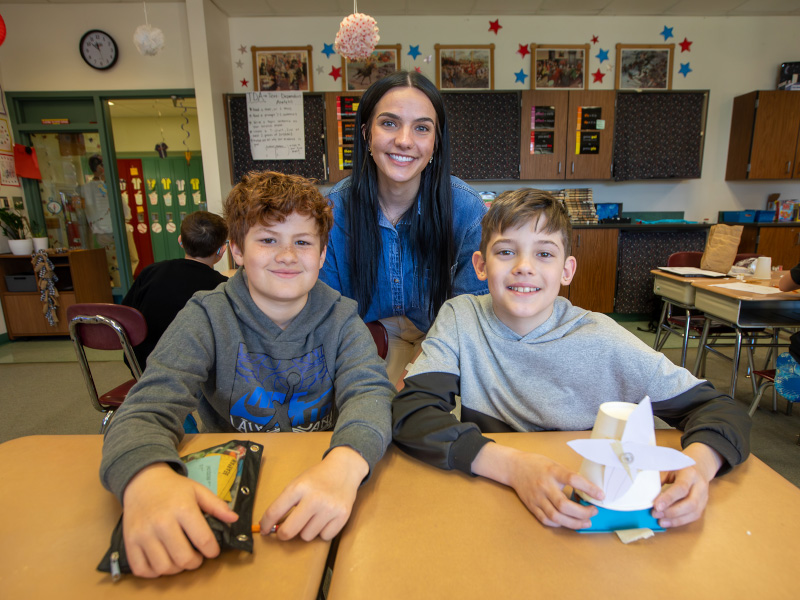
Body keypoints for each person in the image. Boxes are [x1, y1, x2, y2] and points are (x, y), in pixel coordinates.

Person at [392, 189, 751, 531]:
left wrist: (698, 467)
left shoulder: (604, 339)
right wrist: (513, 467)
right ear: (480, 265)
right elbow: (412, 411)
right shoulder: (460, 318)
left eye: (544, 254)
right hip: (494, 495)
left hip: (584, 504)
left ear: (567, 270)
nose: (524, 267)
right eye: (505, 252)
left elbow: (719, 409)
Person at [100, 171, 393, 578]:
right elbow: (147, 405)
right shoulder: (205, 315)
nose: (288, 255)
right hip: (236, 479)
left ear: (323, 254)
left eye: (303, 242)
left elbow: (371, 393)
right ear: (236, 250)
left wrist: (345, 464)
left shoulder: (341, 316)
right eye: (268, 240)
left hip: (324, 471)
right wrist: (146, 479)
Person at [321, 71, 488, 383]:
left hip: (445, 346)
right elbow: (329, 317)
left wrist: (418, 372)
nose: (404, 140)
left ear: (436, 144)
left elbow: (474, 313)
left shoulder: (464, 207)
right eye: (389, 123)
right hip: (362, 347)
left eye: (422, 128)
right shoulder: (335, 210)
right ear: (366, 134)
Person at [121, 210, 229, 372]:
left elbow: (125, 317)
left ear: (181, 241)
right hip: (196, 375)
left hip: (144, 368)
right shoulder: (223, 288)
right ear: (222, 250)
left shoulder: (150, 272)